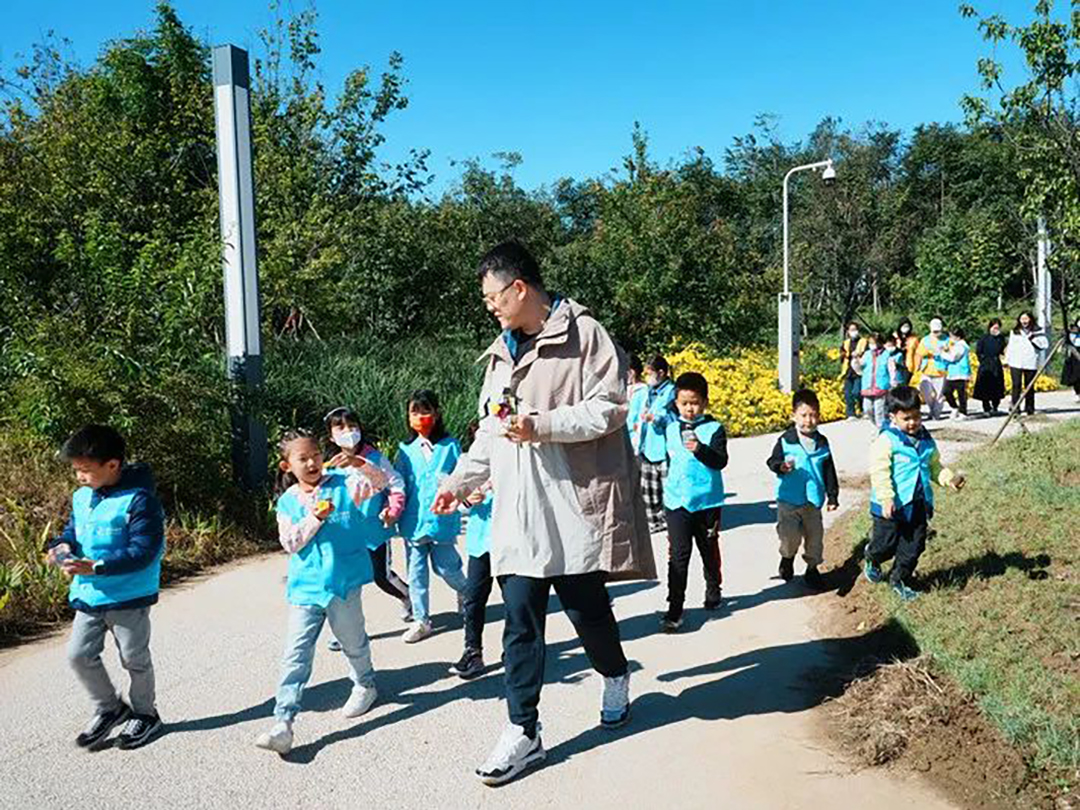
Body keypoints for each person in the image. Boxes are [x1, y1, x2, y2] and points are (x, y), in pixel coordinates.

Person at [433, 240, 655, 786]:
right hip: (516, 514)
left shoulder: (586, 335)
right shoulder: (500, 353)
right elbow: (490, 430)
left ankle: (615, 674)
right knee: (520, 624)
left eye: (493, 297)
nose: (490, 306)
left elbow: (610, 408)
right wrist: (459, 482)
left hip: (569, 506)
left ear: (520, 288)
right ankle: (523, 731)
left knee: (587, 614)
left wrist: (543, 425)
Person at [254, 430, 387, 754]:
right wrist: (315, 517)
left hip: (343, 583)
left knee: (352, 641)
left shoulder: (344, 483)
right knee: (295, 654)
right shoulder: (287, 502)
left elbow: (380, 483)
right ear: (287, 466)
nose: (312, 462)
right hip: (306, 588)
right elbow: (290, 543)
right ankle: (283, 722)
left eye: (315, 455)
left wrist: (358, 463)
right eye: (303, 458)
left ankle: (365, 684)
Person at [45, 425, 166, 751]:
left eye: (85, 470)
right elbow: (72, 533)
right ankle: (110, 708)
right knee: (78, 655)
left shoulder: (140, 500)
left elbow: (145, 551)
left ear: (112, 465)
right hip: (89, 594)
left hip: (129, 596)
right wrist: (60, 548)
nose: (79, 477)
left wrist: (97, 566)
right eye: (76, 470)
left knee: (134, 658)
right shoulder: (82, 497)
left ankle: (146, 714)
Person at [864, 386, 966, 601]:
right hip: (890, 505)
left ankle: (899, 579)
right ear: (893, 417)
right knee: (885, 545)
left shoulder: (926, 439)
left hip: (917, 504)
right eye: (906, 418)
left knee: (914, 546)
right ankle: (872, 557)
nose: (913, 422)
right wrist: (886, 497)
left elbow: (934, 466)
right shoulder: (886, 441)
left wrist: (949, 479)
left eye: (917, 416)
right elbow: (880, 471)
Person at [324, 407, 411, 636]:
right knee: (346, 583)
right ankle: (345, 632)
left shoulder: (374, 458)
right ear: (331, 436)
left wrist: (393, 508)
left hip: (373, 530)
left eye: (352, 426)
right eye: (340, 427)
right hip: (344, 533)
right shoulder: (329, 465)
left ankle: (408, 596)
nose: (348, 431)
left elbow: (392, 483)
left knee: (381, 577)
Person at [395, 389, 468, 644]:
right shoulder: (405, 450)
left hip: (441, 521)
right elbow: (398, 483)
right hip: (413, 523)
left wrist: (465, 498)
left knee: (446, 567)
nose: (419, 417)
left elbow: (463, 477)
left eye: (425, 411)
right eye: (414, 412)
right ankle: (421, 620)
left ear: (436, 414)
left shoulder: (450, 446)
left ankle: (466, 592)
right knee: (416, 574)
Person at [658, 372, 727, 633]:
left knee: (708, 550)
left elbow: (720, 461)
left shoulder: (714, 429)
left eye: (695, 403)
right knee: (678, 555)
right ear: (676, 403)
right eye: (684, 403)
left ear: (705, 402)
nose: (689, 408)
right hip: (677, 503)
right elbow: (670, 460)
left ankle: (713, 589)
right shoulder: (670, 429)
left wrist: (700, 449)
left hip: (706, 502)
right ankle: (675, 608)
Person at [765, 389, 839, 590]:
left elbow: (829, 470)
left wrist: (832, 496)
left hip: (813, 501)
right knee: (789, 537)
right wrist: (780, 466)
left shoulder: (822, 442)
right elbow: (772, 461)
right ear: (794, 416)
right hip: (788, 499)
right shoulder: (785, 440)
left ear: (819, 416)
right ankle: (787, 558)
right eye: (804, 415)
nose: (809, 420)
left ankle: (812, 569)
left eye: (813, 415)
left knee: (815, 539)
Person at [451, 422, 496, 681]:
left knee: (517, 601)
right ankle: (472, 651)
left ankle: (515, 652)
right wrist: (468, 500)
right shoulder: (467, 464)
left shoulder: (512, 461)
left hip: (511, 543)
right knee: (474, 598)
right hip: (480, 543)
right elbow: (457, 505)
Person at [637, 355, 676, 533]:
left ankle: (670, 521)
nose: (647, 377)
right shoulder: (649, 391)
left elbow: (674, 418)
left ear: (661, 373)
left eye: (649, 373)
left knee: (667, 489)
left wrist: (656, 418)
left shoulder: (672, 392)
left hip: (664, 449)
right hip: (648, 446)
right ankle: (653, 521)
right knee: (649, 489)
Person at [1004, 311, 1049, 416]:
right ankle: (1015, 407)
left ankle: (1029, 408)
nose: (1024, 321)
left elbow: (1044, 345)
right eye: (1022, 319)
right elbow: (1010, 347)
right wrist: (1007, 360)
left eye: (1026, 319)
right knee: (1016, 385)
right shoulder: (1014, 332)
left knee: (1029, 386)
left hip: (1030, 361)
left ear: (1030, 319)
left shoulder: (1038, 331)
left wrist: (1032, 338)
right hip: (1016, 361)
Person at [915, 317, 950, 420]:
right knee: (925, 391)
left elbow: (951, 352)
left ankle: (936, 413)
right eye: (934, 331)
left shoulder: (947, 339)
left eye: (938, 331)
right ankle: (931, 408)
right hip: (926, 369)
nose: (936, 333)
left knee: (939, 394)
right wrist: (918, 365)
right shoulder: (925, 340)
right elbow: (919, 353)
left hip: (941, 370)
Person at [974, 318, 1008, 415]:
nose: (995, 329)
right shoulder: (984, 338)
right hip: (985, 365)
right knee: (985, 387)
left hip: (996, 364)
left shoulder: (1001, 338)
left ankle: (995, 406)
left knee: (997, 386)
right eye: (994, 327)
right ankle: (986, 407)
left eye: (997, 327)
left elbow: (1003, 351)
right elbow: (978, 351)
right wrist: (982, 360)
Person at [938, 328, 972, 420]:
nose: (950, 338)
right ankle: (954, 407)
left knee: (961, 394)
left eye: (951, 336)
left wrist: (942, 353)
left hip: (960, 373)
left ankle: (963, 412)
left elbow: (953, 357)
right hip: (952, 373)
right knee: (946, 391)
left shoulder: (961, 346)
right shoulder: (956, 345)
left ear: (958, 336)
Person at [859, 332, 891, 429]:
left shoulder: (886, 355)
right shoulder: (867, 354)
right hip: (867, 385)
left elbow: (891, 369)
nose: (872, 345)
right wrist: (855, 360)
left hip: (881, 385)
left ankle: (881, 427)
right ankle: (877, 424)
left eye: (874, 343)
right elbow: (859, 367)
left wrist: (892, 383)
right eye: (870, 343)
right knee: (867, 408)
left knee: (879, 410)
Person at [839, 322, 868, 419]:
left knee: (857, 392)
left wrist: (859, 355)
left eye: (855, 329)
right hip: (848, 371)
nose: (854, 332)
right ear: (848, 331)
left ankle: (863, 408)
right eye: (851, 330)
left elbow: (867, 354)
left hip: (859, 371)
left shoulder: (863, 341)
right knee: (848, 394)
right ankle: (851, 413)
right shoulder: (846, 343)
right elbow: (842, 354)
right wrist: (844, 355)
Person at [625, 354, 650, 455]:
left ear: (632, 372)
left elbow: (641, 417)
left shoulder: (643, 390)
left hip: (635, 438)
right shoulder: (624, 389)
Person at [894, 317, 919, 385]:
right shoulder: (895, 337)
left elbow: (917, 354)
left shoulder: (914, 339)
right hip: (896, 366)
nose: (906, 328)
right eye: (904, 326)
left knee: (905, 385)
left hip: (909, 366)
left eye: (907, 326)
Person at [1062, 316, 1080, 401]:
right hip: (1075, 354)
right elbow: (1069, 342)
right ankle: (1078, 392)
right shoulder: (1072, 332)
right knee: (1076, 375)